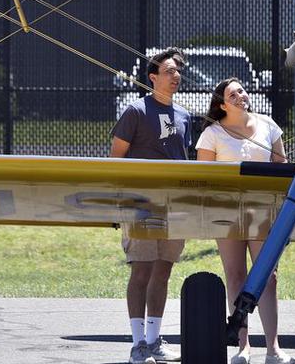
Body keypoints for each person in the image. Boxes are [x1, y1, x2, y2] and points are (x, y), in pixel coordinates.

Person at [195, 77, 295, 364]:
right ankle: (243, 347)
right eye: (232, 93)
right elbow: (204, 177)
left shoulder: (267, 124)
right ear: (221, 103)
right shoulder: (212, 134)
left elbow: (282, 166)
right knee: (236, 276)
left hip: (263, 210)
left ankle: (273, 349)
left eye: (241, 90)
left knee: (268, 277)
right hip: (226, 213)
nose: (240, 95)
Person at [110, 47, 191, 364]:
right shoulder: (136, 111)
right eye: (169, 71)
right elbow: (116, 160)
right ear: (153, 77)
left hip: (174, 206)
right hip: (140, 203)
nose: (175, 76)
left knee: (163, 271)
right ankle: (138, 345)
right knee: (141, 270)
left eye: (177, 71)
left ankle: (155, 341)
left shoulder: (184, 116)